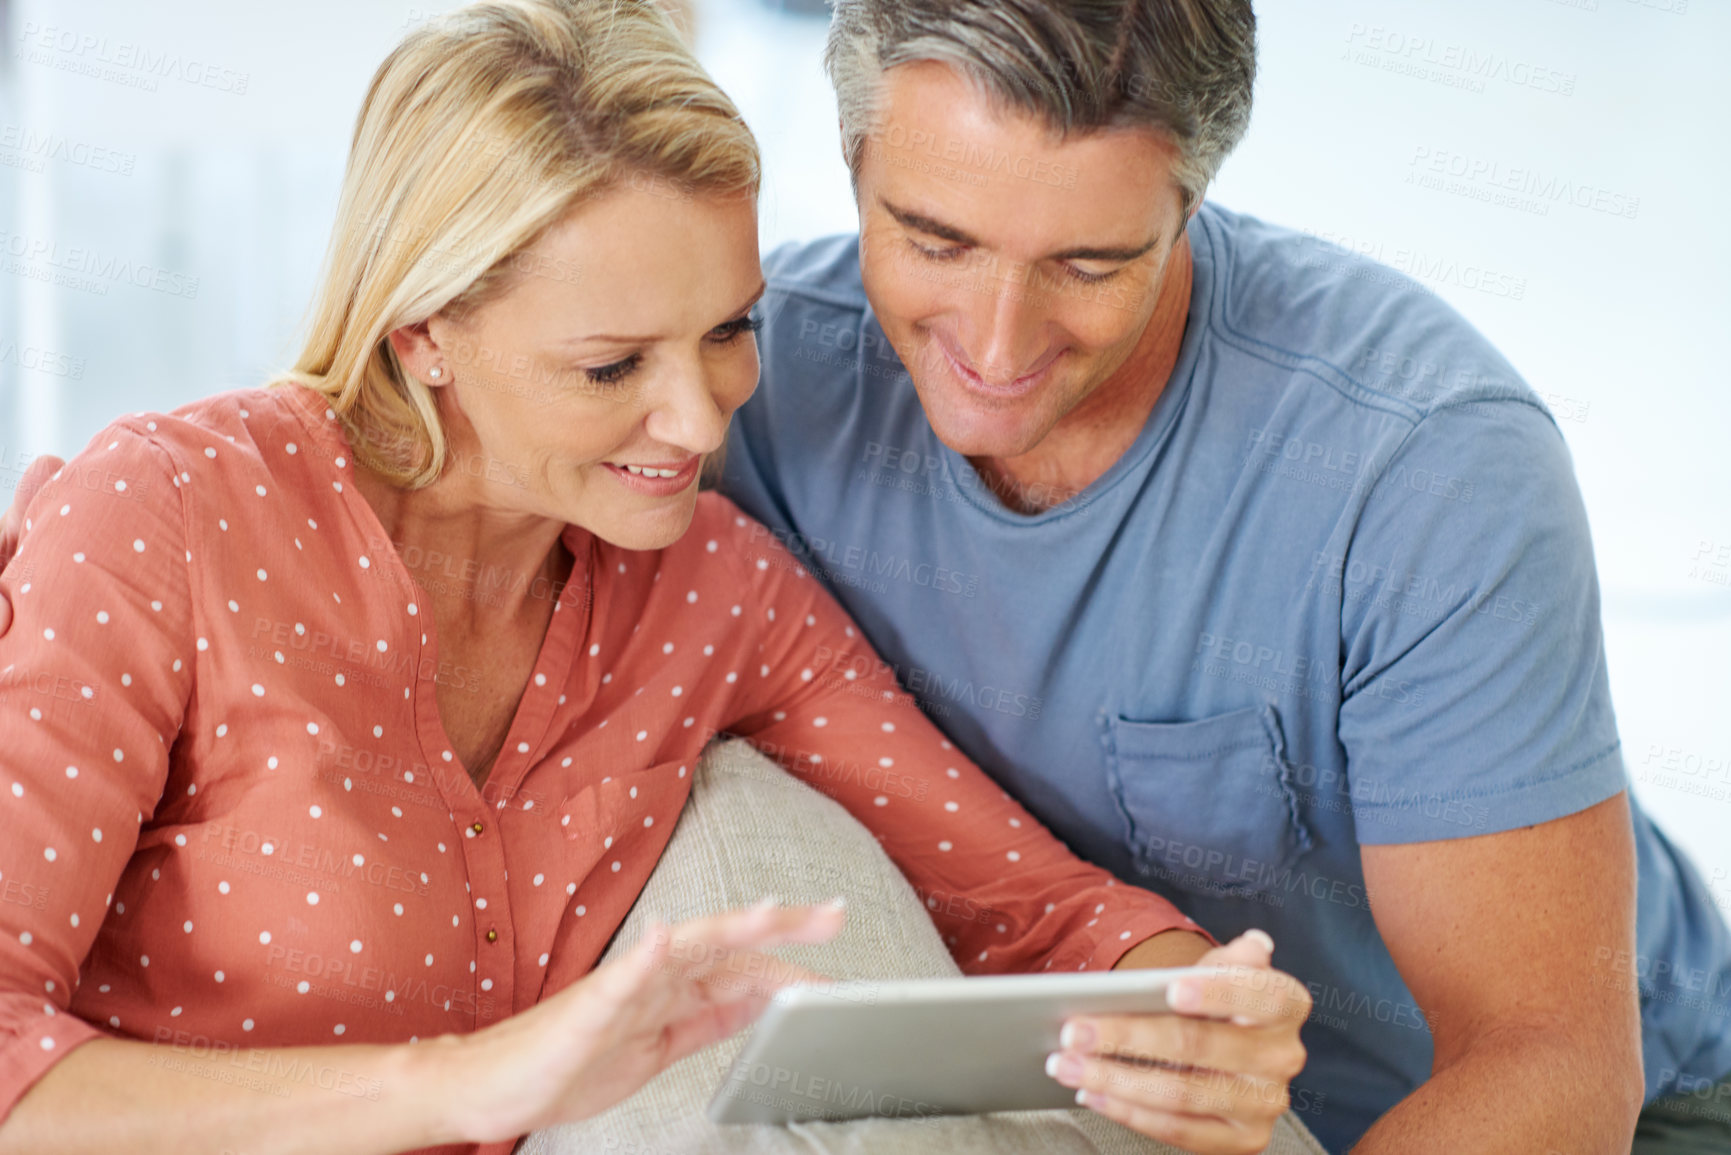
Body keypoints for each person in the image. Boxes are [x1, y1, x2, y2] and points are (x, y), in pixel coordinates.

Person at [0, 3, 1312, 1153]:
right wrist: (467, 1079)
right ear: (424, 332)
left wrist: (1198, 999)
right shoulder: (165, 518)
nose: (696, 419)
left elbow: (1023, 899)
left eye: (728, 331)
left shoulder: (710, 589)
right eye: (611, 366)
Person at [703, 1, 1731, 1152]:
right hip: (1099, 1105)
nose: (994, 350)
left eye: (1089, 264)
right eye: (935, 241)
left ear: (1190, 200)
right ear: (851, 166)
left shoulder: (1423, 467)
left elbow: (1550, 1061)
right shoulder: (748, 383)